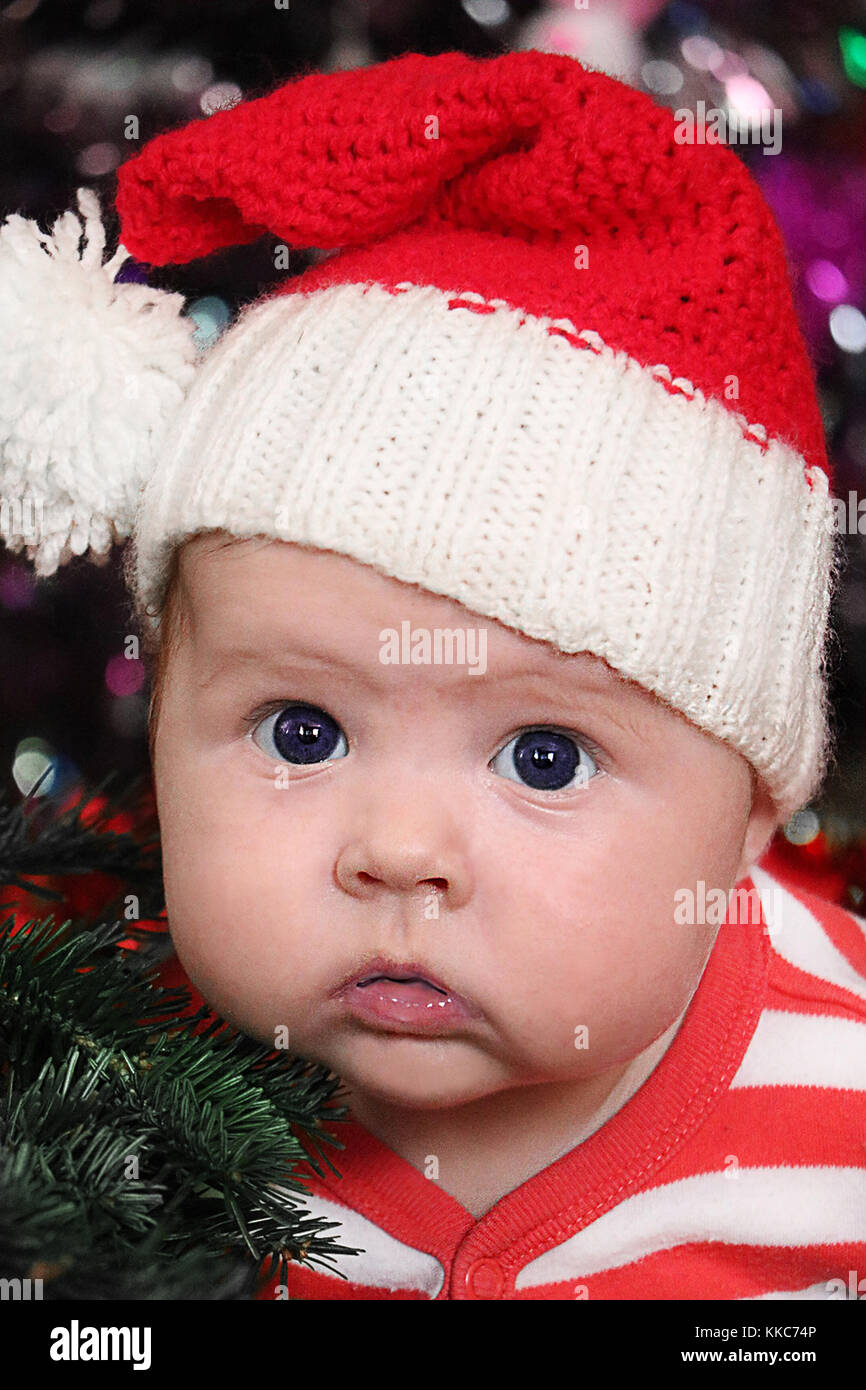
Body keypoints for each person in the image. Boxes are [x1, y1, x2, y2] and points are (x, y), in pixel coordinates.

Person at [2, 49, 865, 1301]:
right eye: (300, 732)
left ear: (746, 816)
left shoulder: (838, 1111)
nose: (399, 852)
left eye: (544, 757)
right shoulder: (96, 1068)